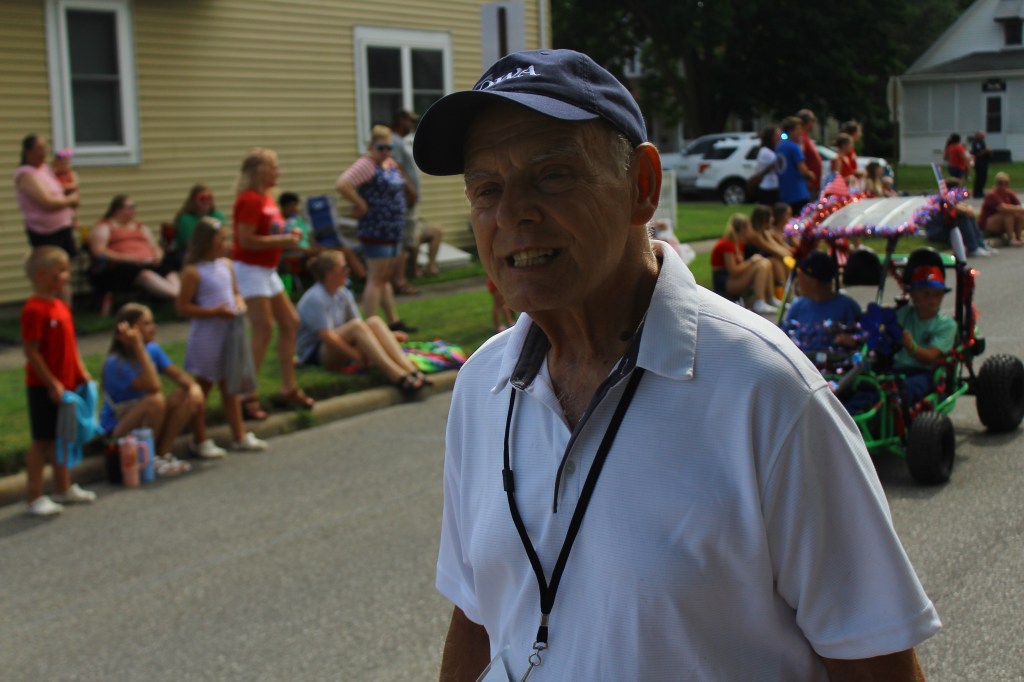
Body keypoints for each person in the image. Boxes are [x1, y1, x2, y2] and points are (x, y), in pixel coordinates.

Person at [415, 49, 939, 681]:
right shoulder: (481, 387)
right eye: (486, 189)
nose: (511, 215)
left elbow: (875, 660)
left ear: (642, 186)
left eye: (552, 175)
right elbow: (477, 615)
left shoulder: (766, 390)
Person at [231, 148, 314, 420]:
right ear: (259, 171)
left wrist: (290, 235)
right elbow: (245, 240)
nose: (278, 172)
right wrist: (283, 241)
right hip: (250, 269)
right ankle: (246, 394)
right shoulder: (249, 199)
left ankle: (288, 387)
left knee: (290, 322)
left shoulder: (267, 199)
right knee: (263, 328)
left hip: (267, 269)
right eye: (274, 167)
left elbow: (270, 232)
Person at [176, 217, 268, 456]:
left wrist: (239, 304)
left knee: (230, 387)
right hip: (207, 337)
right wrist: (213, 312)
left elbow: (236, 293)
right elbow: (183, 307)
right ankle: (200, 439)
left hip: (229, 334)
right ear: (207, 242)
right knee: (203, 387)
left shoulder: (227, 265)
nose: (226, 244)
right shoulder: (193, 272)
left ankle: (239, 435)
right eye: (221, 239)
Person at [21, 246, 96, 516]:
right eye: (61, 271)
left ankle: (63, 488)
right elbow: (31, 351)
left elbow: (70, 346)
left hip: (67, 385)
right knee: (42, 441)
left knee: (63, 438)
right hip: (43, 387)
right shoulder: (34, 309)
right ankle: (34, 496)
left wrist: (80, 371)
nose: (67, 276)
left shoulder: (60, 306)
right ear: (42, 274)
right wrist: (52, 382)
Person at [295, 251, 429, 393]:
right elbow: (327, 336)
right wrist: (355, 355)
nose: (348, 271)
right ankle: (397, 376)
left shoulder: (343, 293)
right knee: (356, 326)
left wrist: (387, 335)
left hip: (339, 343)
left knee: (374, 321)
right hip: (316, 354)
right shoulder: (315, 298)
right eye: (343, 268)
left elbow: (362, 326)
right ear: (329, 273)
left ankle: (410, 369)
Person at [336, 125, 418, 333]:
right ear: (372, 146)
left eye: (389, 147)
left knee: (384, 277)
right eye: (381, 147)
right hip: (376, 229)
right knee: (375, 278)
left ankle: (392, 321)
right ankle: (370, 325)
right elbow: (342, 184)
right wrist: (361, 203)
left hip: (392, 229)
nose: (386, 151)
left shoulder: (389, 164)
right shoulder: (367, 164)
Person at [99, 303, 195, 476]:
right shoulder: (115, 363)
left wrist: (193, 388)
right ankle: (150, 458)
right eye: (147, 324)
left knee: (184, 396)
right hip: (118, 429)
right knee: (155, 400)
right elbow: (154, 386)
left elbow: (180, 377)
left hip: (142, 420)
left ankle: (161, 454)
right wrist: (137, 346)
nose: (153, 327)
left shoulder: (153, 349)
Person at [88, 195, 182, 303]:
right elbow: (99, 251)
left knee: (168, 270)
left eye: (133, 207)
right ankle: (178, 297)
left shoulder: (140, 227)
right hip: (122, 267)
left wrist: (158, 255)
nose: (133, 210)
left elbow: (154, 246)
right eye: (129, 207)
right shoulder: (105, 227)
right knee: (144, 274)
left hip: (148, 262)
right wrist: (125, 258)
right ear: (117, 210)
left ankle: (179, 295)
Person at [390, 109, 444, 295]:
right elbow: (397, 168)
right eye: (410, 121)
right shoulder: (395, 141)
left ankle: (413, 272)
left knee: (412, 237)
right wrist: (410, 191)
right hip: (405, 200)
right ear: (400, 120)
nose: (412, 124)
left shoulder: (402, 141)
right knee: (407, 240)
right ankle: (409, 274)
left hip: (409, 201)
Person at [893, 266, 957, 405]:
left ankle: (899, 416)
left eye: (937, 294)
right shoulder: (903, 314)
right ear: (914, 296)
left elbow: (930, 357)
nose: (932, 300)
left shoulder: (946, 325)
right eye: (926, 294)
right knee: (870, 385)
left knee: (902, 390)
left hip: (925, 373)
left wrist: (912, 347)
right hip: (896, 369)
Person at [783, 251, 862, 354]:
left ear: (814, 282)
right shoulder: (797, 306)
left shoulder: (847, 307)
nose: (797, 282)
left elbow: (861, 340)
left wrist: (852, 341)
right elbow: (783, 337)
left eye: (800, 277)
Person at [710, 213, 780, 313]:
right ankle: (760, 301)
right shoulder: (727, 244)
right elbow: (733, 271)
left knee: (766, 262)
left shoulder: (739, 243)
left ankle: (770, 298)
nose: (751, 230)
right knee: (761, 266)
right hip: (724, 282)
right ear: (743, 229)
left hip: (733, 279)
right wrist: (751, 261)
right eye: (749, 227)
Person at [172, 184, 226, 258]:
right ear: (193, 200)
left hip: (213, 253)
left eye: (209, 198)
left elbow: (222, 238)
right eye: (202, 198)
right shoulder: (185, 219)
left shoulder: (217, 216)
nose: (206, 201)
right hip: (189, 254)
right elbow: (191, 245)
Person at [776, 116, 816, 214]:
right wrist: (811, 175)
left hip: (785, 192)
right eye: (798, 129)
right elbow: (802, 169)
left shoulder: (779, 146)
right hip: (798, 192)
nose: (800, 132)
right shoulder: (794, 147)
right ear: (790, 130)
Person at [978, 172, 1024, 247]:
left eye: (1006, 183)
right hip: (987, 223)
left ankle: (1018, 238)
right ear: (996, 184)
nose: (1003, 186)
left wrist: (1020, 210)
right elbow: (1002, 208)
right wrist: (1020, 209)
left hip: (1001, 222)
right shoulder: (992, 195)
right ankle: (1011, 239)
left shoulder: (1009, 193)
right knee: (1008, 214)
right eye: (1000, 183)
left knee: (1019, 214)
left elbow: (1019, 204)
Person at [752, 125, 780, 205]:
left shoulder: (773, 150)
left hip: (774, 186)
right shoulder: (765, 151)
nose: (779, 138)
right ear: (770, 137)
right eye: (776, 136)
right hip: (768, 188)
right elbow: (779, 163)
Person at [797, 109, 823, 195]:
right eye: (813, 120)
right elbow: (799, 158)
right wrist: (806, 175)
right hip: (808, 186)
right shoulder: (801, 138)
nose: (814, 124)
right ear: (808, 122)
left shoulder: (806, 137)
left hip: (813, 186)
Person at [970, 131, 991, 199]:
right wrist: (986, 151)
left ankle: (980, 191)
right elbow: (977, 153)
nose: (984, 136)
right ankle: (977, 193)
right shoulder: (976, 143)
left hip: (984, 162)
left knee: (983, 178)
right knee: (979, 177)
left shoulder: (982, 142)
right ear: (978, 135)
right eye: (982, 135)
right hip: (979, 163)